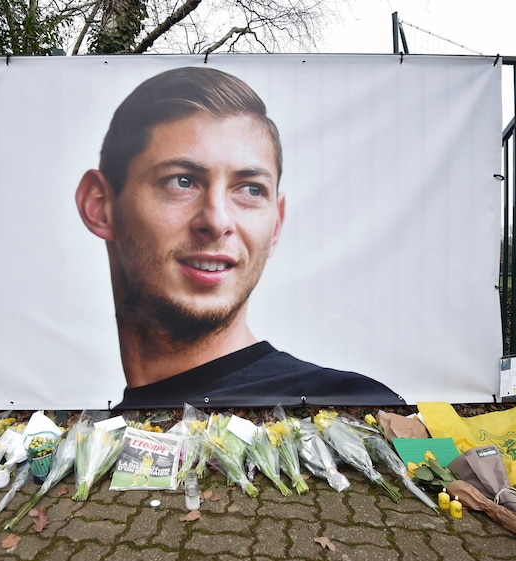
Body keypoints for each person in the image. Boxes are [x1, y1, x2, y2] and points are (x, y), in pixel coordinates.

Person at [75, 66, 404, 409]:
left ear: (276, 225)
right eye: (181, 182)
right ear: (99, 206)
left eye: (250, 189)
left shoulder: (348, 408)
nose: (217, 221)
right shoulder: (85, 438)